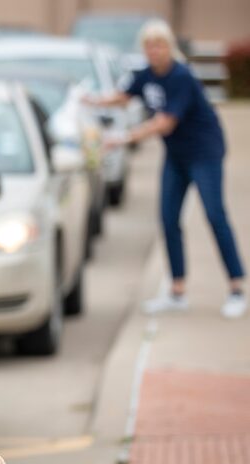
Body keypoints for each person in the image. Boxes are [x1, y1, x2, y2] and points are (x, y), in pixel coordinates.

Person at [85, 19, 246, 319]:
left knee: (214, 214)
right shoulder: (145, 75)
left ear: (169, 47)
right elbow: (122, 97)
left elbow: (165, 122)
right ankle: (177, 290)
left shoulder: (181, 76)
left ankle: (237, 287)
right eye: (148, 45)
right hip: (176, 155)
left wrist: (123, 138)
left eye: (159, 45)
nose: (154, 51)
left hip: (205, 152)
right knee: (168, 218)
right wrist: (91, 101)